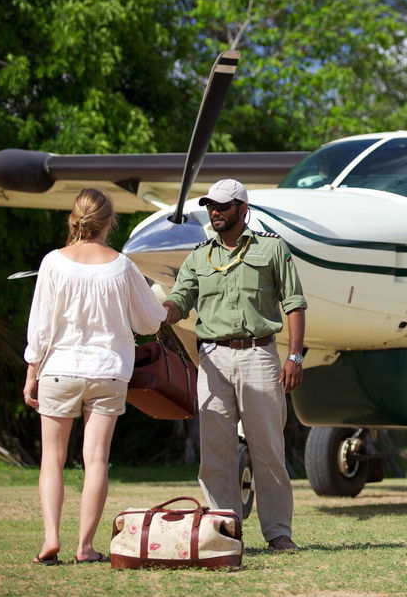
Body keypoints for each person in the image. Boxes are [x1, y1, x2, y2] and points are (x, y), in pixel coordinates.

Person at [23, 188, 167, 565]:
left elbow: (39, 327)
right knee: (96, 460)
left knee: (52, 459)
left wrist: (31, 371)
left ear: (75, 218)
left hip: (59, 369)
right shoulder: (122, 266)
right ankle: (85, 547)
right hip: (107, 372)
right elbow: (151, 321)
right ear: (110, 221)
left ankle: (50, 538)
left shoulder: (53, 262)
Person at [162, 178, 306, 552]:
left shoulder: (272, 249)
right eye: (211, 206)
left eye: (223, 206)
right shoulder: (198, 256)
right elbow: (180, 298)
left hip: (260, 355)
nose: (215, 212)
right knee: (215, 450)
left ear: (243, 210)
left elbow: (294, 303)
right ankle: (224, 531)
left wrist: (295, 356)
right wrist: (160, 313)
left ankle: (278, 533)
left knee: (268, 447)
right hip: (212, 358)